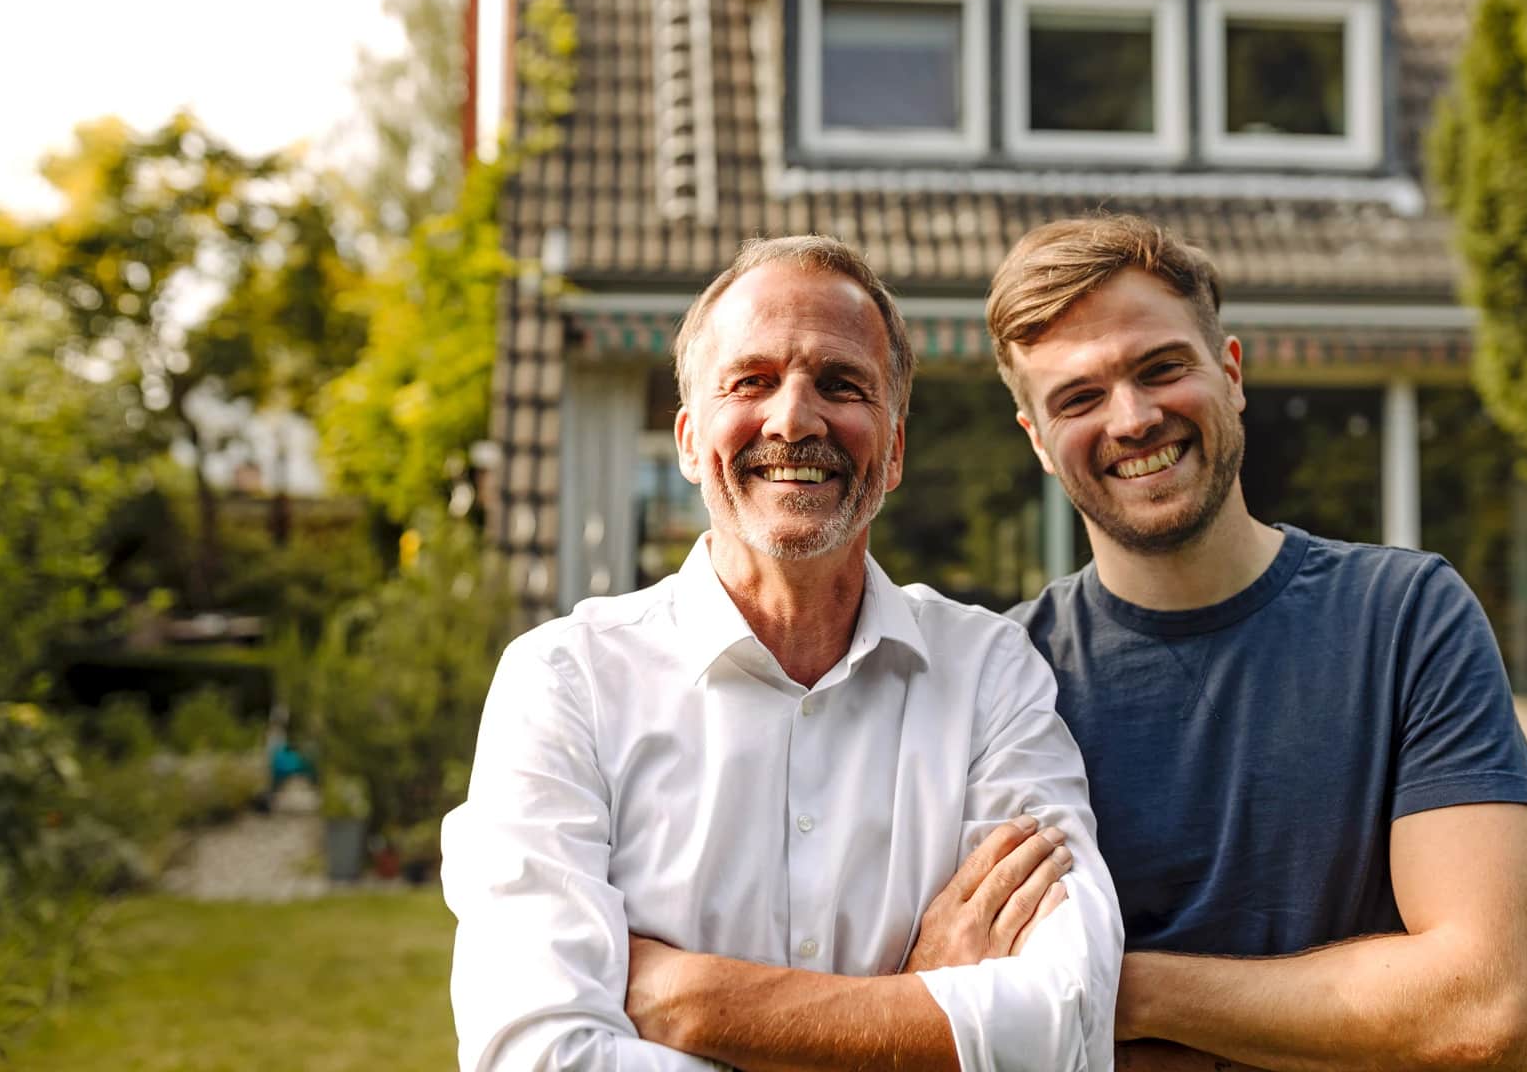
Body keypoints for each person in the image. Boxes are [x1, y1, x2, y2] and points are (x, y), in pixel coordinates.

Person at [442, 235, 1123, 1070]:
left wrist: (692, 1006)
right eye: (751, 381)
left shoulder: (991, 673)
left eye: (841, 385)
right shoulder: (563, 684)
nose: (794, 419)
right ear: (690, 441)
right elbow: (536, 1053)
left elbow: (1067, 1016)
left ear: (895, 449)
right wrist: (910, 1014)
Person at [974, 214, 1527, 1072]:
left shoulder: (1406, 618)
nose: (1132, 418)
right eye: (1079, 397)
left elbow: (1484, 1010)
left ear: (1231, 373)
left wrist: (1117, 990)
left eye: (1161, 368)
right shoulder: (1003, 682)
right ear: (1039, 443)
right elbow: (967, 997)